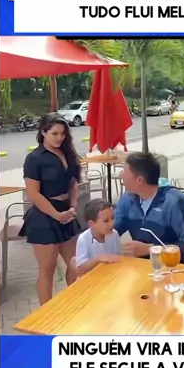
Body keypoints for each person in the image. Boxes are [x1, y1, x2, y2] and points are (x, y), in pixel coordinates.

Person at [20, 113, 82, 305]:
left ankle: (74, 302)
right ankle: (45, 313)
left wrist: (73, 206)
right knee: (48, 268)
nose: (59, 138)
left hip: (67, 211)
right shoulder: (34, 159)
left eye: (62, 134)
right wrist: (56, 215)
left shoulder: (68, 154)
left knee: (76, 262)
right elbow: (33, 193)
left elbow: (73, 183)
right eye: (54, 133)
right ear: (43, 132)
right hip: (44, 215)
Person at [115, 152, 184, 264]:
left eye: (124, 172)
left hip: (172, 267)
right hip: (140, 266)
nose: (120, 176)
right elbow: (112, 230)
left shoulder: (176, 202)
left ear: (139, 180)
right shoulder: (128, 199)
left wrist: (150, 249)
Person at [72, 199, 121, 278]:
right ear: (91, 224)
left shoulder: (114, 234)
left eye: (112, 218)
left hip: (110, 276)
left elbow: (118, 258)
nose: (112, 223)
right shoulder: (83, 239)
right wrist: (98, 258)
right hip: (90, 279)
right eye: (106, 221)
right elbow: (80, 268)